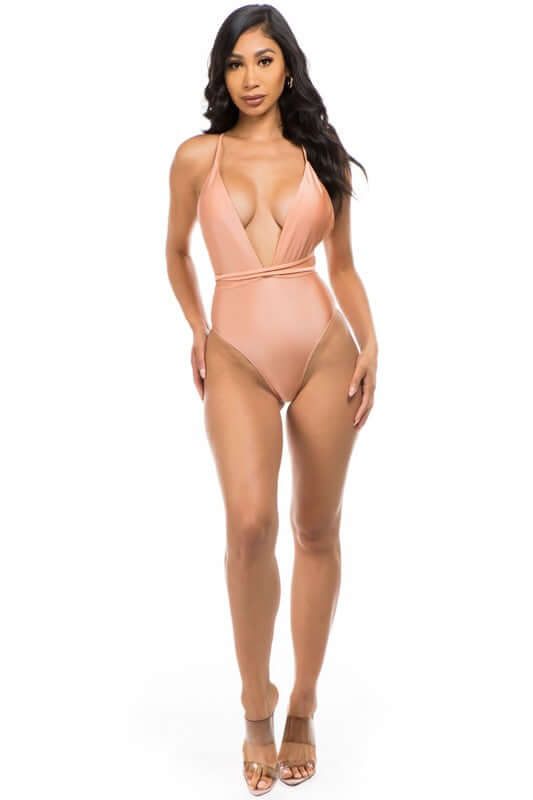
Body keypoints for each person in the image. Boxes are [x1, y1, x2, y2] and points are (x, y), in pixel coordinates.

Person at [166, 5, 378, 795]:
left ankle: (303, 705)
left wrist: (371, 341)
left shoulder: (323, 157)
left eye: (263, 60)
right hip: (236, 354)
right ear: (220, 74)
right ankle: (255, 704)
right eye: (234, 63)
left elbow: (343, 267)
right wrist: (197, 327)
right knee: (250, 525)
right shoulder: (198, 156)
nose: (249, 78)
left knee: (316, 529)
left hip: (325, 350)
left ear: (288, 66)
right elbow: (175, 251)